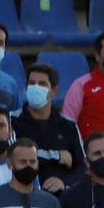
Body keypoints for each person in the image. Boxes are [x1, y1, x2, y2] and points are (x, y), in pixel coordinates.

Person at [14, 63, 83, 194]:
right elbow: (10, 155)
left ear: (54, 91)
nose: (35, 87)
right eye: (32, 83)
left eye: (42, 84)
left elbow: (82, 166)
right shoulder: (13, 121)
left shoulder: (68, 126)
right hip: (23, 196)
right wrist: (56, 156)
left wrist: (64, 183)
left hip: (61, 198)